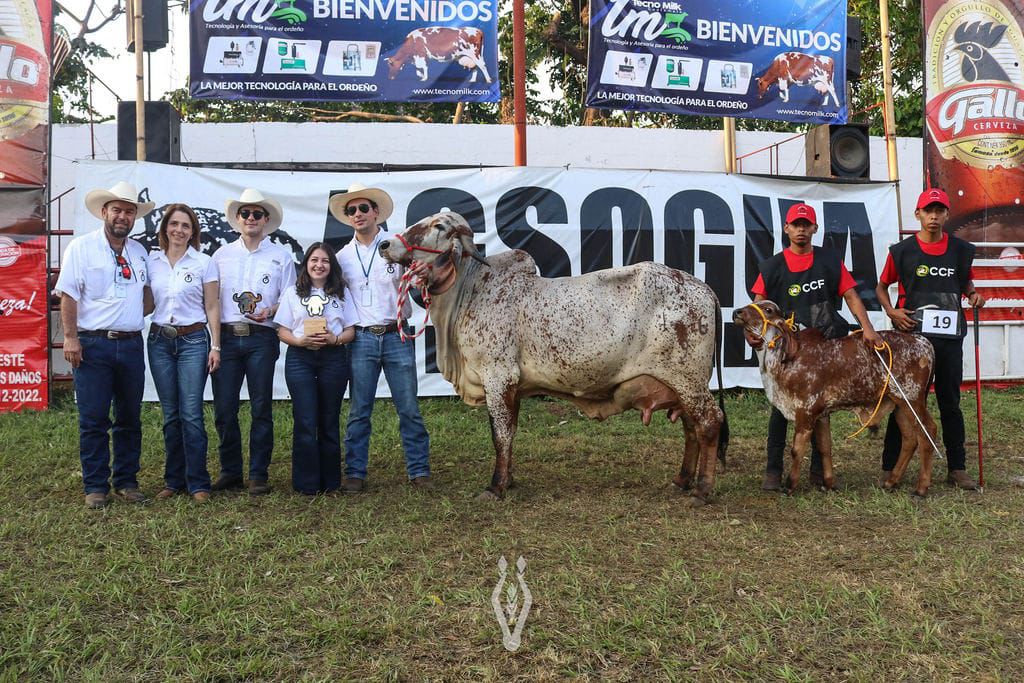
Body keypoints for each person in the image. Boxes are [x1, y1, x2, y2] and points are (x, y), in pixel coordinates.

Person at [752, 202, 882, 492]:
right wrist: (755, 335)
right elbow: (758, 306)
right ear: (786, 229)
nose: (801, 230)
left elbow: (851, 295)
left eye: (806, 225)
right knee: (781, 411)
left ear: (814, 229)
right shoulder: (772, 266)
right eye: (795, 225)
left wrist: (869, 329)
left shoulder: (829, 260)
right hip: (788, 351)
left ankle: (818, 473)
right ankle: (773, 471)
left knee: (821, 408)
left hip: (825, 345)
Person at [875, 187, 986, 490]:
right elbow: (881, 287)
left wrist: (974, 295)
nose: (934, 216)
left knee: (949, 400)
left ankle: (957, 467)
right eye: (928, 210)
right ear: (918, 214)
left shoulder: (961, 250)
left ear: (947, 215)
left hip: (948, 338)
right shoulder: (902, 251)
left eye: (939, 211)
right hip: (910, 340)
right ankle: (889, 466)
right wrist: (892, 313)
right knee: (904, 402)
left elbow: (965, 283)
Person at [55, 181, 155, 509]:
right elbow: (68, 295)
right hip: (92, 344)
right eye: (117, 210)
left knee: (129, 416)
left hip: (129, 345)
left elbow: (148, 296)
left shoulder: (140, 252)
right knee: (94, 418)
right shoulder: (81, 248)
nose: (123, 216)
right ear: (104, 212)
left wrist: (126, 316)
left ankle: (126, 481)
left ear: (134, 218)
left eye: (129, 211)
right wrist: (70, 337)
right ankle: (95, 485)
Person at [329, 183, 432, 493]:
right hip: (360, 338)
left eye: (363, 208)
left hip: (396, 333)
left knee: (408, 408)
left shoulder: (396, 247)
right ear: (347, 218)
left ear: (376, 212)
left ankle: (419, 470)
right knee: (360, 409)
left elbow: (415, 287)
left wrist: (421, 281)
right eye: (352, 210)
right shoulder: (341, 257)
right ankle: (356, 472)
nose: (358, 214)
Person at [211, 189, 296, 495]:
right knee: (224, 408)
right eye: (245, 213)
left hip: (262, 338)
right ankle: (231, 471)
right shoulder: (220, 256)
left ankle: (258, 473)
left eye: (257, 214)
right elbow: (212, 301)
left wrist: (270, 310)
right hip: (228, 337)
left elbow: (289, 299)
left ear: (266, 220)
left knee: (261, 406)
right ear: (237, 219)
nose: (250, 218)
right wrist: (216, 344)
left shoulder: (281, 257)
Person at [147, 204, 221, 504]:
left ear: (193, 232)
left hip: (193, 341)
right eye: (174, 224)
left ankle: (198, 482)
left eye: (186, 226)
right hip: (159, 341)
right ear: (165, 228)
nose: (179, 230)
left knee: (191, 414)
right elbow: (144, 302)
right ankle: (173, 480)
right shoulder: (151, 261)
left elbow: (213, 306)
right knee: (170, 414)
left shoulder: (204, 262)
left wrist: (216, 345)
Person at [274, 243, 358, 495]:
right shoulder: (292, 293)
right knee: (306, 419)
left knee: (329, 419)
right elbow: (282, 330)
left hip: (333, 358)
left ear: (331, 266)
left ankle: (331, 482)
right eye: (314, 260)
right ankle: (306, 484)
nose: (319, 265)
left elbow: (351, 330)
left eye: (324, 261)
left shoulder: (341, 293)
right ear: (306, 263)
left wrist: (335, 339)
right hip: (300, 357)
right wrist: (299, 341)